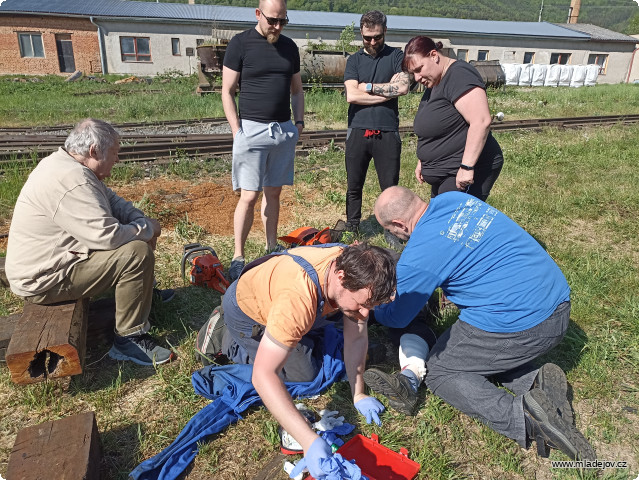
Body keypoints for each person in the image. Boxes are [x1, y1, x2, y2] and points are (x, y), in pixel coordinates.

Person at [365, 186, 595, 461]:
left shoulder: (419, 255)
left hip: (525, 323)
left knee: (441, 370)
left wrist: (372, 312)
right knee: (472, 356)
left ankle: (526, 419)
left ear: (399, 224)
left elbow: (398, 316)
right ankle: (534, 383)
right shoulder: (454, 199)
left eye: (390, 230)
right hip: (555, 300)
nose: (394, 236)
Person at [217, 243, 396, 478]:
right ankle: (223, 336)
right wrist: (308, 440)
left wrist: (358, 393)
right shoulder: (297, 300)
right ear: (340, 276)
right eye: (362, 305)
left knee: (322, 335)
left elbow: (357, 335)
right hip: (247, 314)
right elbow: (263, 375)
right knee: (305, 375)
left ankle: (299, 334)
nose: (364, 314)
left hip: (286, 299)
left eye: (369, 305)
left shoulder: (357, 266)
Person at [5, 119, 175, 366]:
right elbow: (108, 237)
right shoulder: (73, 180)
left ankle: (140, 293)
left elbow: (115, 202)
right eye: (115, 152)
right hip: (43, 279)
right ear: (95, 150)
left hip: (55, 261)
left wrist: (141, 222)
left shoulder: (69, 166)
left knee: (137, 238)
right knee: (136, 253)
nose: (117, 159)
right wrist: (146, 229)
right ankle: (129, 338)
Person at [222, 0, 305, 282]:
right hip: (251, 131)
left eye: (283, 21)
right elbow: (227, 91)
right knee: (248, 196)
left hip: (281, 131)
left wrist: (299, 123)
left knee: (273, 194)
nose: (277, 26)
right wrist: (237, 131)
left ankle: (271, 247)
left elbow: (297, 91)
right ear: (258, 14)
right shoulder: (240, 44)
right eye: (272, 20)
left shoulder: (290, 47)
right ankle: (238, 256)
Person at [402, 36, 503, 201]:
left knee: (453, 223)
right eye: (413, 73)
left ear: (434, 55)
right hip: (445, 170)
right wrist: (424, 160)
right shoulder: (436, 80)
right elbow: (440, 124)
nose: (417, 78)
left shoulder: (459, 75)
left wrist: (467, 166)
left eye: (419, 69)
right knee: (442, 221)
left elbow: (481, 121)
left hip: (462, 170)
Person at [343, 10, 410, 244]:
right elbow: (351, 95)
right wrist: (385, 94)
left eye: (377, 37)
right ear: (361, 33)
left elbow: (402, 88)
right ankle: (352, 226)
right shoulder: (354, 60)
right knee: (354, 185)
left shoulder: (396, 56)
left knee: (390, 187)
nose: (372, 42)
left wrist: (368, 86)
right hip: (358, 130)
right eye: (367, 37)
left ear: (385, 32)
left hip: (388, 131)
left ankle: (391, 230)